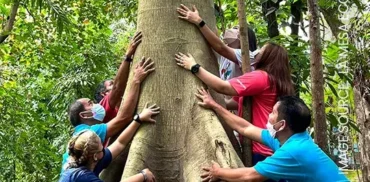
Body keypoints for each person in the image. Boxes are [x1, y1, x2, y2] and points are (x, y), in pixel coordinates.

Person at [175, 40, 294, 166]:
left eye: (261, 51)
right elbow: (232, 103)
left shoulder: (261, 77)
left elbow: (223, 87)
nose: (256, 53)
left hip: (261, 149)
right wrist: (213, 102)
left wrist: (194, 67)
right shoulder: (278, 81)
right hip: (273, 147)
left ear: (267, 57)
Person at [195, 89, 348, 182]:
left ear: (281, 125)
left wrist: (218, 172)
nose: (269, 115)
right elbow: (245, 128)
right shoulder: (288, 138)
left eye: (273, 112)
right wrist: (214, 105)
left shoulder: (293, 150)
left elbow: (251, 175)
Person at [62, 56, 155, 171]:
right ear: (85, 115)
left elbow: (120, 143)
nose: (96, 104)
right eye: (90, 103)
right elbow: (124, 116)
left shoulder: (80, 139)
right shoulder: (90, 133)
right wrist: (136, 80)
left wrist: (138, 119)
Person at [60, 103, 159, 181]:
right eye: (101, 148)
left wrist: (138, 119)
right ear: (95, 156)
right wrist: (143, 176)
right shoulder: (82, 176)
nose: (104, 149)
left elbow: (120, 143)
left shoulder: (87, 161)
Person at [95, 32, 143, 123]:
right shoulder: (102, 108)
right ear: (104, 94)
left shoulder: (124, 103)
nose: (115, 83)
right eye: (111, 84)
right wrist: (127, 56)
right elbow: (117, 88)